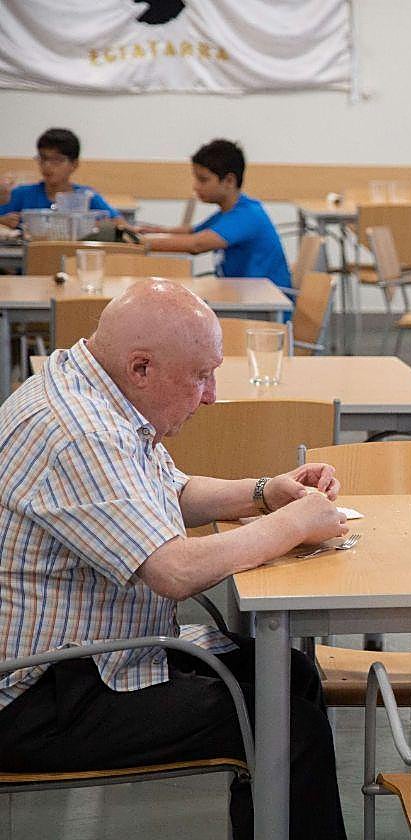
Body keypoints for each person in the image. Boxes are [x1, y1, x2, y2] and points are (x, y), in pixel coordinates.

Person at [0, 279, 350, 839]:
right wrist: (291, 525)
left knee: (290, 675)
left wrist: (264, 492)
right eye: (200, 377)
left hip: (87, 661)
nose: (210, 395)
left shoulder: (90, 386)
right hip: (39, 695)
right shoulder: (79, 433)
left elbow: (166, 491)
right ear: (142, 367)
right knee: (286, 723)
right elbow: (175, 571)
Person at [138, 139, 291, 290]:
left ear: (229, 181)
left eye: (203, 180)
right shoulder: (228, 212)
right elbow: (190, 232)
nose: (195, 186)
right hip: (241, 296)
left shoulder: (247, 215)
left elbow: (197, 244)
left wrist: (138, 243)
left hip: (264, 307)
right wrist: (150, 232)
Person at [0, 128, 121, 228]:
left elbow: (117, 222)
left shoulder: (85, 196)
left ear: (74, 164)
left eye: (56, 160)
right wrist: (3, 221)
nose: (47, 166)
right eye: (43, 158)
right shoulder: (22, 194)